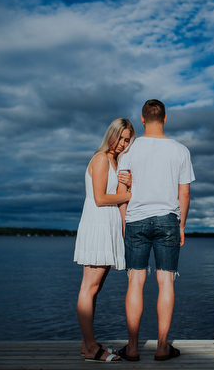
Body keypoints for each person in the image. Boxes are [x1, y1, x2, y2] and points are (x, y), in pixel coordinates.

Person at [116, 99, 195, 362]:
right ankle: (162, 347)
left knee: (135, 282)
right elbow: (184, 193)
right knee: (166, 282)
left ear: (141, 119)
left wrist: (125, 222)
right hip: (168, 220)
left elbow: (122, 191)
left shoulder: (129, 149)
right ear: (164, 119)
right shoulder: (180, 150)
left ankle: (133, 348)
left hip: (136, 220)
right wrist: (181, 225)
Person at [73, 118, 135, 362]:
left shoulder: (115, 161)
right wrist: (130, 192)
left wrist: (126, 186)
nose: (123, 143)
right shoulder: (100, 159)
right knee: (89, 288)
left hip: (108, 227)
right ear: (111, 135)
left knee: (95, 289)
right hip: (97, 225)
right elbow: (99, 198)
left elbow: (118, 199)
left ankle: (85, 344)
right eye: (120, 137)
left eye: (127, 139)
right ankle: (90, 349)